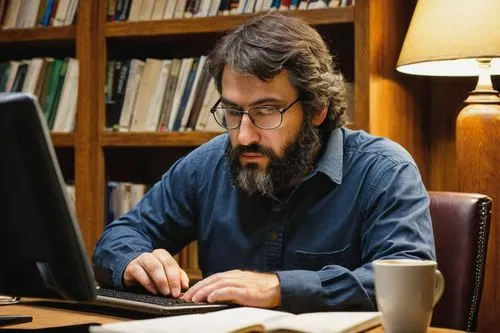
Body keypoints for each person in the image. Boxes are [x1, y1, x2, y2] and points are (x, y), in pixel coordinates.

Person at [92, 11, 435, 313]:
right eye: (232, 111)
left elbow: (408, 276)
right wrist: (134, 261)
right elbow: (120, 236)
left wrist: (279, 288)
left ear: (317, 109)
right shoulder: (208, 164)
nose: (244, 136)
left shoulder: (385, 170)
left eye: (266, 111)